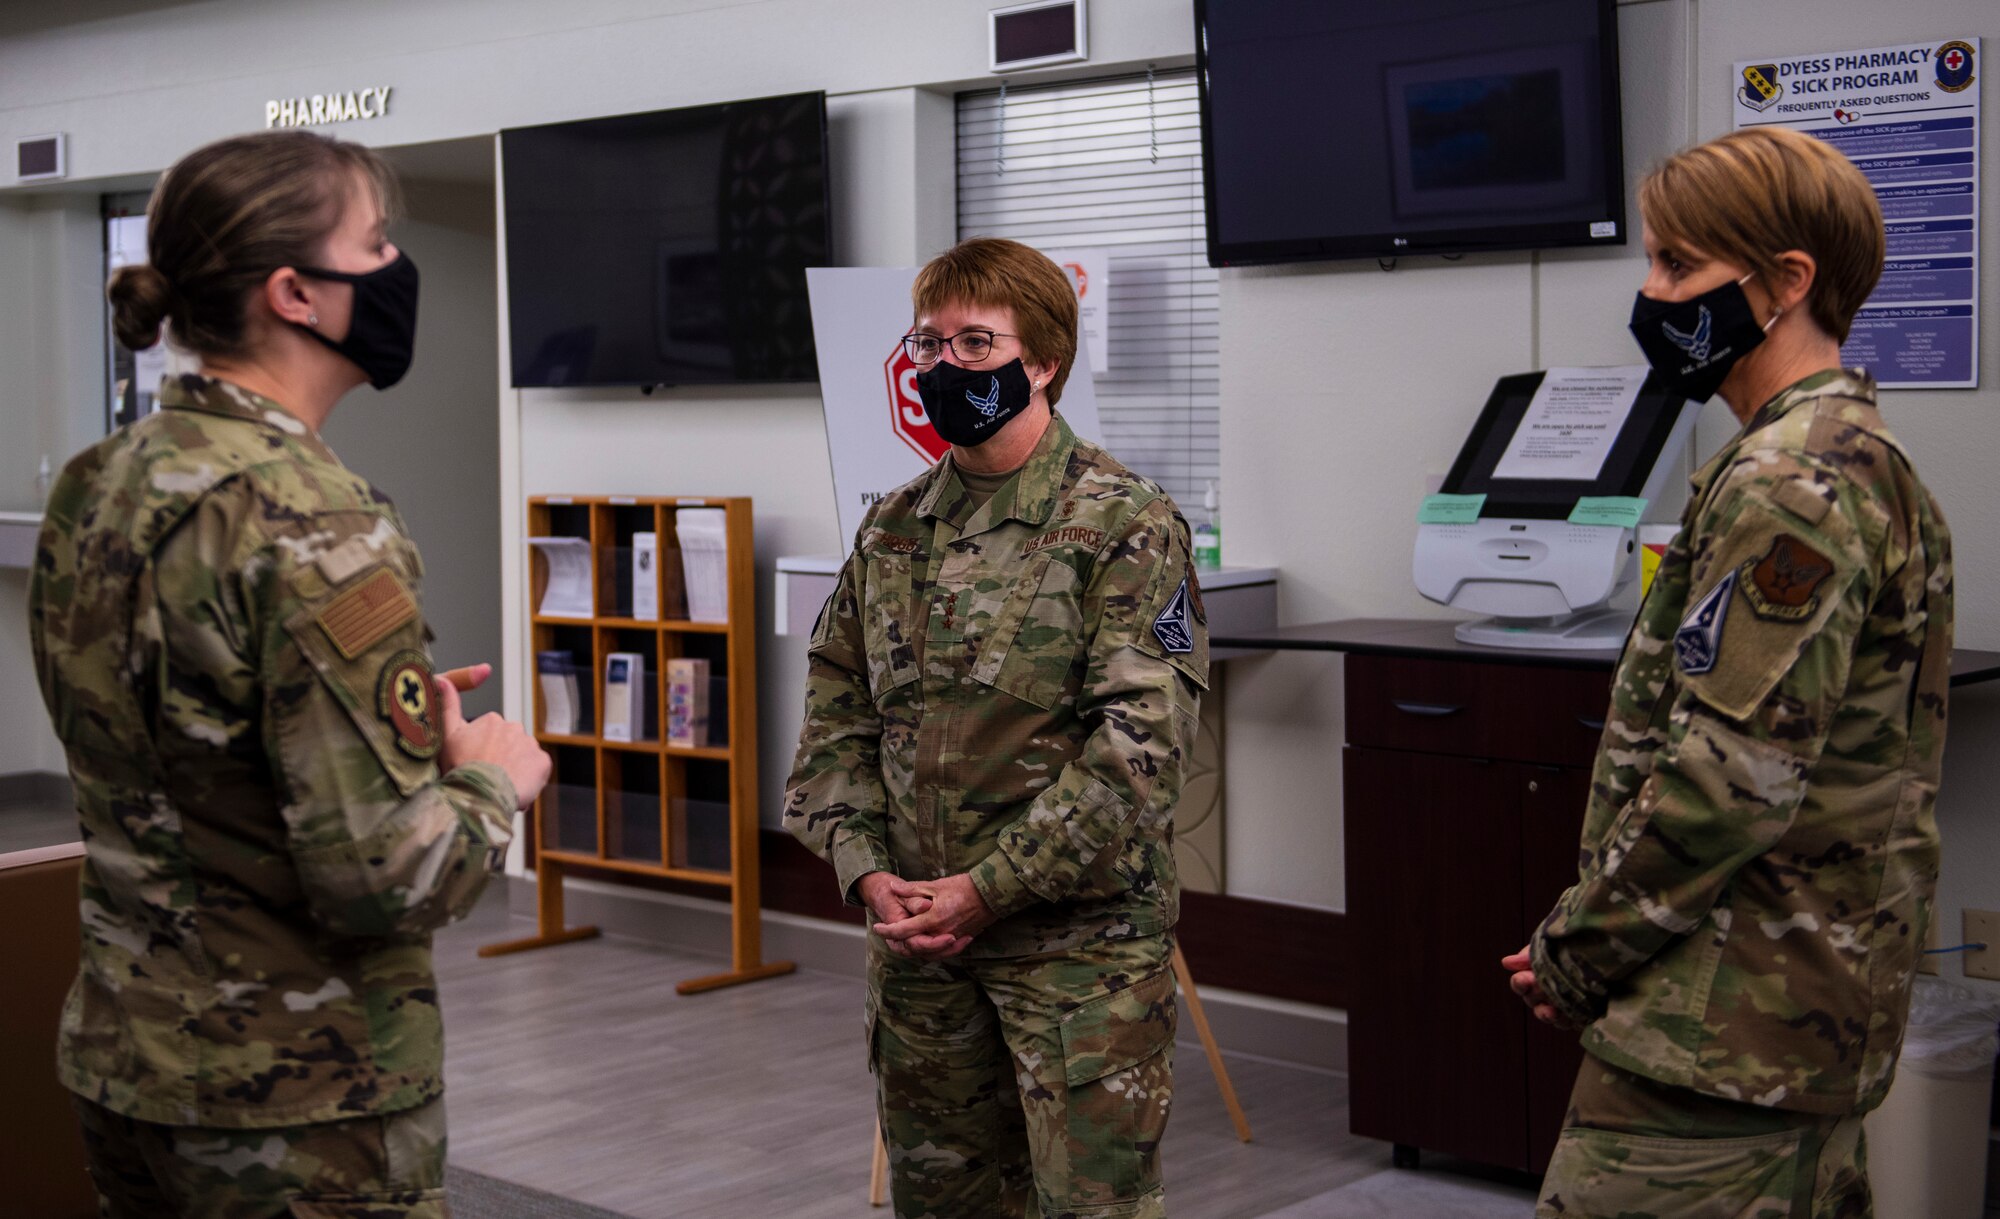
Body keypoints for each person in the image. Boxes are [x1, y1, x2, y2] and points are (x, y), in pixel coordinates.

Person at [29, 130, 550, 1218]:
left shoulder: (102, 477)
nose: (397, 267)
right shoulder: (310, 517)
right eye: (375, 242)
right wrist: (490, 775)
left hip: (131, 1061)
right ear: (294, 294)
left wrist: (361, 721)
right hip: (293, 1100)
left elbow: (164, 737)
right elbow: (388, 877)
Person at [1504, 126, 1953, 1216]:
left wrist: (1576, 949)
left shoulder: (1790, 477)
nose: (1649, 293)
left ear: (1786, 281)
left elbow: (1726, 780)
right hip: (1785, 1012)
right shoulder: (1845, 453)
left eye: (1676, 266)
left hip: (1720, 1024)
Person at [785, 236, 1207, 1218]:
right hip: (918, 948)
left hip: (1075, 956)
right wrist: (864, 866)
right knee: (941, 1203)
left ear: (1043, 359)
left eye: (976, 343)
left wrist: (985, 890)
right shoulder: (892, 526)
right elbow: (838, 695)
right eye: (929, 346)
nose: (946, 367)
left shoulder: (1124, 522)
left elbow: (1138, 752)